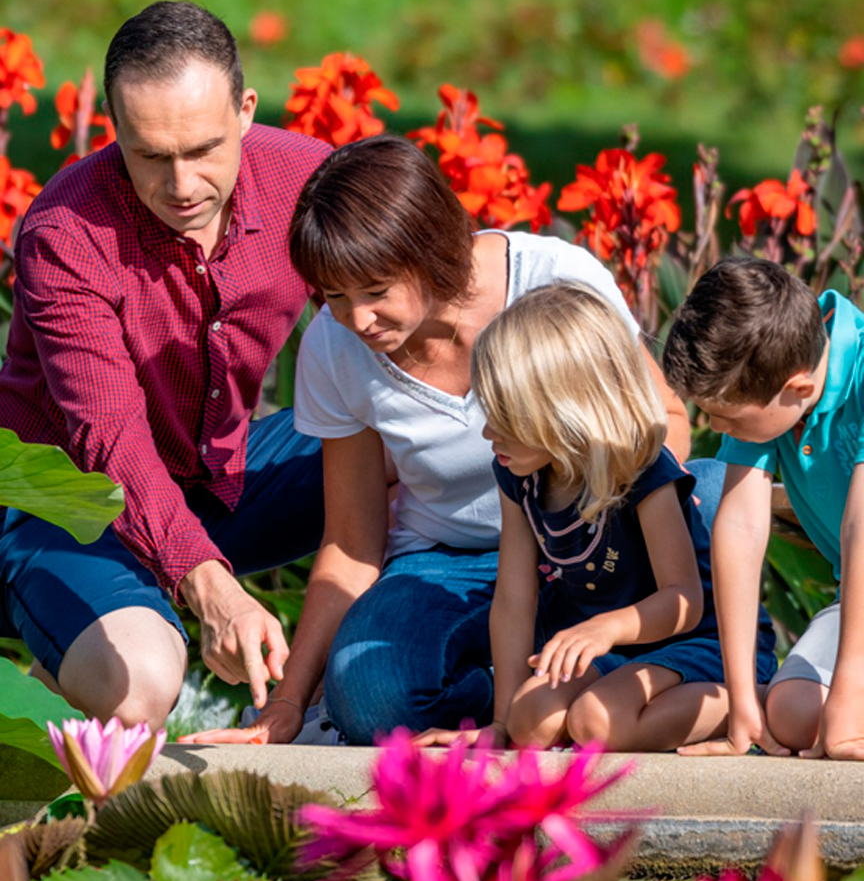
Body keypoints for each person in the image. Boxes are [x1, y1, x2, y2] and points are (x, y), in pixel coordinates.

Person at [184, 135, 694, 747]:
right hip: (450, 559)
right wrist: (288, 702)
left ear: (429, 249)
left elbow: (665, 420)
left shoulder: (553, 280)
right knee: (369, 696)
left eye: (375, 291)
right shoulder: (336, 346)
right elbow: (351, 540)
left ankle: (607, 682)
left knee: (708, 494)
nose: (356, 320)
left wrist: (591, 524)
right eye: (335, 296)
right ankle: (522, 703)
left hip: (590, 539)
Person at [0, 1, 329, 729]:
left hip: (221, 477)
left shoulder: (307, 182)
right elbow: (109, 443)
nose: (182, 184)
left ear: (246, 110)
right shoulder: (67, 234)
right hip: (71, 505)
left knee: (420, 445)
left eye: (205, 149)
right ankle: (62, 645)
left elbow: (433, 289)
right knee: (143, 681)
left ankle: (386, 670)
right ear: (115, 130)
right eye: (151, 155)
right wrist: (214, 593)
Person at [420, 282, 775, 752]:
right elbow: (513, 600)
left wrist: (608, 628)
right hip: (610, 650)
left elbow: (685, 601)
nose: (489, 434)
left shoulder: (643, 473)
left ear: (567, 412)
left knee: (597, 723)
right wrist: (501, 721)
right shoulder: (519, 477)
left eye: (506, 418)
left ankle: (755, 701)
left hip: (701, 642)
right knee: (531, 725)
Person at [662, 257, 864, 760]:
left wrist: (849, 691)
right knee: (792, 715)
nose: (716, 427)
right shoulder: (777, 374)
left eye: (727, 418)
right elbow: (739, 525)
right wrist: (743, 699)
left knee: (842, 712)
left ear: (796, 388)